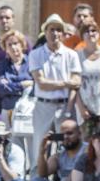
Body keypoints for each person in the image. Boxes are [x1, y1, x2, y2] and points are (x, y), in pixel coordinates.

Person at [6, 118, 88, 181]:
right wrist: (42, 152)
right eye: (62, 135)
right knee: (37, 180)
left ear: (79, 134)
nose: (66, 137)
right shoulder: (59, 155)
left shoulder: (87, 150)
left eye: (70, 133)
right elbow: (42, 174)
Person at [28, 14, 81, 171]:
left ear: (63, 33)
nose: (55, 33)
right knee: (40, 145)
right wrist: (65, 83)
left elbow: (76, 83)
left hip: (65, 106)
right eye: (52, 29)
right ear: (45, 32)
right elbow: (41, 83)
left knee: (68, 147)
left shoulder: (71, 55)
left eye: (59, 30)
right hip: (43, 106)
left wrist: (69, 109)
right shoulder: (35, 54)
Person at [75, 20, 100, 137]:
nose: (91, 34)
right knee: (86, 147)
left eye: (94, 30)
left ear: (99, 33)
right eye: (86, 31)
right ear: (82, 36)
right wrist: (81, 108)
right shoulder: (76, 55)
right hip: (85, 111)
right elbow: (74, 85)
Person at [0, 30, 33, 126]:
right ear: (5, 48)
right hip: (9, 109)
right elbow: (1, 88)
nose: (13, 47)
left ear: (22, 45)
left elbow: (36, 84)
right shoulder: (2, 65)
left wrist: (10, 85)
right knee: (9, 139)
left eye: (15, 43)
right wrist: (22, 85)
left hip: (29, 110)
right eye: (9, 45)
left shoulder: (32, 62)